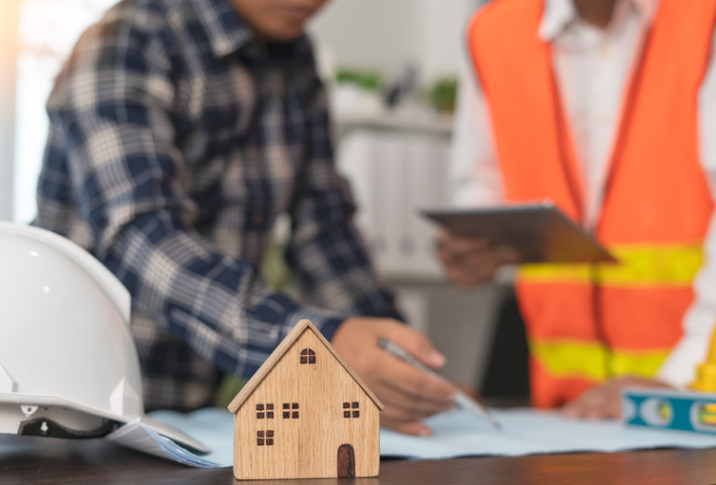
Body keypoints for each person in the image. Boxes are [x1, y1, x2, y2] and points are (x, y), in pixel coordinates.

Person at [33, 0, 456, 436]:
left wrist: (405, 368)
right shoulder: (125, 41)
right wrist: (316, 345)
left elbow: (325, 233)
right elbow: (140, 234)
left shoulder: (294, 58)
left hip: (186, 413)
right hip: (63, 407)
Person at [438, 0, 716, 418]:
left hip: (692, 402)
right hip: (566, 416)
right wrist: (475, 241)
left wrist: (681, 377)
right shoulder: (490, 32)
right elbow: (483, 178)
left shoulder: (703, 19)